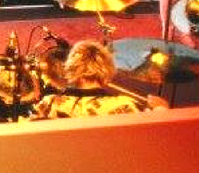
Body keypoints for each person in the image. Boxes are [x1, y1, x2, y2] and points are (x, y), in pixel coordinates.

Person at [31, 40, 167, 119]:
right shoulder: (125, 106)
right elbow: (154, 137)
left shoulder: (49, 103)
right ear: (107, 69)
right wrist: (162, 110)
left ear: (71, 68)